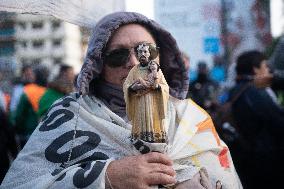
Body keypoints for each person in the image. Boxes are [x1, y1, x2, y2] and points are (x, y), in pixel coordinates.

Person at [1, 12, 241, 189]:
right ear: (98, 65)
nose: (135, 62)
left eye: (146, 51)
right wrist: (106, 177)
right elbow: (19, 183)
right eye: (117, 55)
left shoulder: (190, 115)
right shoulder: (70, 115)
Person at [229, 50, 284, 189]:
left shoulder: (235, 90)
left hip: (245, 157)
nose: (268, 70)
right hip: (266, 160)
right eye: (265, 66)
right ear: (255, 69)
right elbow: (277, 121)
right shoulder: (255, 91)